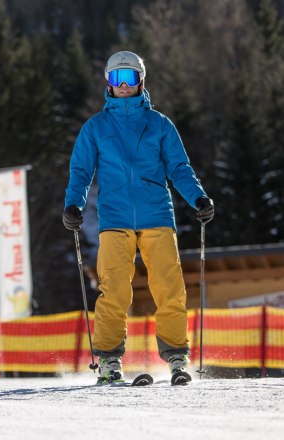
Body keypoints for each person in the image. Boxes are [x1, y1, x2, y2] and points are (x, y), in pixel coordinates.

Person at [63, 51, 215, 385]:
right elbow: (81, 171)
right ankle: (109, 361)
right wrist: (73, 204)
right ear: (108, 83)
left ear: (141, 81)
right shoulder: (96, 128)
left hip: (157, 214)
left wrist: (198, 197)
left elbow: (179, 168)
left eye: (129, 79)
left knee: (169, 288)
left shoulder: (159, 124)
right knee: (113, 290)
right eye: (117, 79)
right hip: (114, 218)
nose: (123, 86)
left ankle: (177, 356)